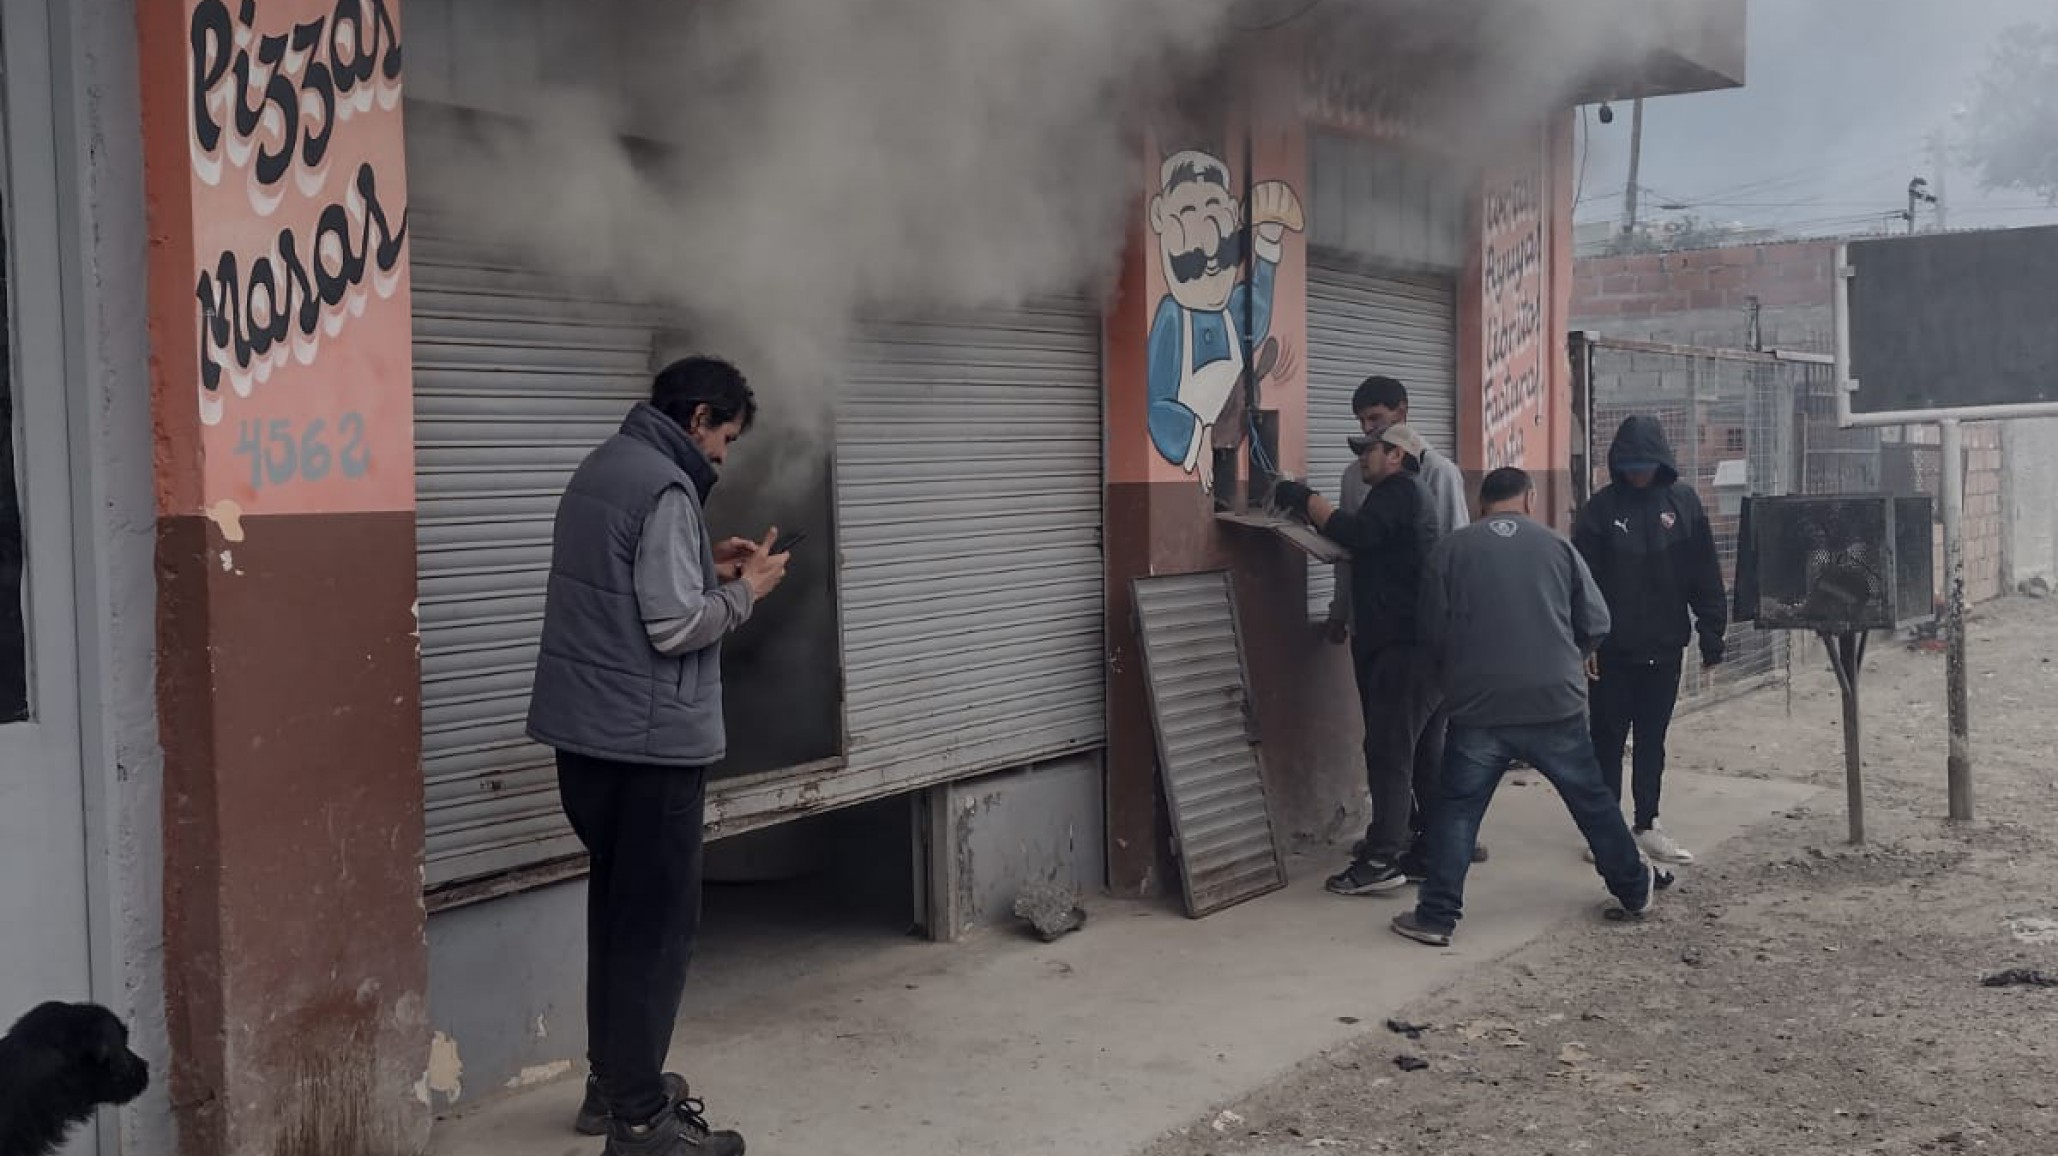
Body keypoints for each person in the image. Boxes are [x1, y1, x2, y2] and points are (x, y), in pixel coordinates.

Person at [528, 356, 788, 1156]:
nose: (724, 457)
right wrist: (748, 590)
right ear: (699, 416)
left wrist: (704, 565)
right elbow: (673, 628)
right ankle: (642, 1123)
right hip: (649, 751)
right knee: (656, 931)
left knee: (617, 913)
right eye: (726, 439)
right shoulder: (668, 488)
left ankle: (613, 1086)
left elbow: (622, 585)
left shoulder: (606, 466)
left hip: (589, 745)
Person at [1391, 468, 1672, 948]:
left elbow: (1432, 635)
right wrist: (1566, 657)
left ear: (1482, 504)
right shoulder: (1557, 546)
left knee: (1457, 812)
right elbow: (1597, 621)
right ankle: (1632, 890)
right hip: (1553, 702)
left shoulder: (1451, 550)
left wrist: (1456, 677)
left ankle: (1436, 918)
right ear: (1530, 499)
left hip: (1479, 707)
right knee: (1592, 802)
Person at [1321, 375, 1482, 871]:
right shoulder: (1356, 476)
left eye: (1376, 420)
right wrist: (1340, 612)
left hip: (1419, 634)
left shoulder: (1437, 473)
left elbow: (1454, 555)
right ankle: (1416, 836)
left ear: (1402, 414)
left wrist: (1452, 632)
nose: (1368, 431)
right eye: (1362, 422)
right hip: (1373, 628)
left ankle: (1414, 841)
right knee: (1391, 736)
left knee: (1411, 743)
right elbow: (1352, 549)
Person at [1274, 424, 1442, 897]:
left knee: (1389, 750)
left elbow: (1358, 532)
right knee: (1423, 753)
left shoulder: (1398, 491)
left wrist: (1305, 500)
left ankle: (1384, 857)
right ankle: (1427, 850)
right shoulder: (1411, 496)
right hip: (1422, 646)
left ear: (1396, 455)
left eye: (1368, 450)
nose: (1361, 459)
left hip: (1401, 648)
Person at [1573, 415, 1728, 866]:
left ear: (1660, 462)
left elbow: (1704, 573)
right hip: (1611, 651)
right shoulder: (1599, 511)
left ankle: (1647, 822)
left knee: (1651, 738)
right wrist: (1587, 643)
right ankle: (1605, 829)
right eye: (1631, 465)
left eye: (1646, 465)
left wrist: (1711, 632)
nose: (1638, 473)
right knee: (1605, 737)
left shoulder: (1683, 505)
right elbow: (1580, 581)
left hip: (1664, 645)